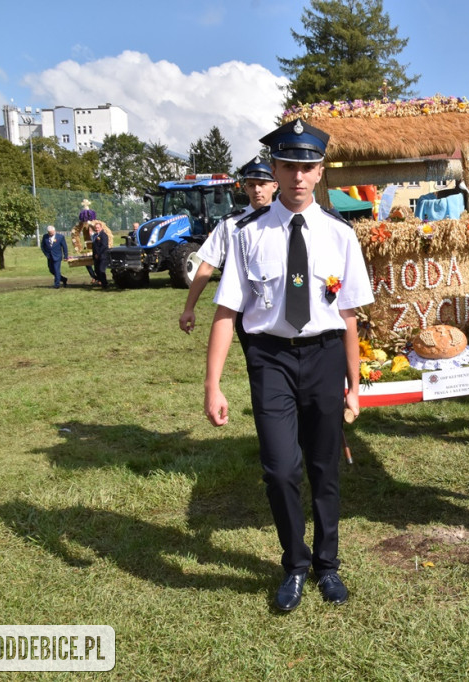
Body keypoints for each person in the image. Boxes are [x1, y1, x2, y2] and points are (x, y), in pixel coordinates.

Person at [203, 118, 374, 611]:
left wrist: (354, 385)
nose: (298, 177)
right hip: (270, 358)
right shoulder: (247, 234)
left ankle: (327, 565)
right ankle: (294, 565)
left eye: (308, 167)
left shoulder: (341, 235)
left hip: (323, 356)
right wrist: (212, 385)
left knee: (324, 469)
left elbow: (348, 316)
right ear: (273, 170)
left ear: (320, 172)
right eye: (287, 166)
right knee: (280, 470)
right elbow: (226, 312)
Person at [179, 157, 278, 334]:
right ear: (245, 188)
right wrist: (189, 308)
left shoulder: (285, 220)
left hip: (280, 307)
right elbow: (207, 266)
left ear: (274, 186)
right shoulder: (230, 224)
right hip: (245, 306)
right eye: (252, 184)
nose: (257, 190)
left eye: (262, 184)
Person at [90, 221, 110, 289]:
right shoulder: (95, 236)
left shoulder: (104, 235)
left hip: (103, 256)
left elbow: (104, 246)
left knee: (101, 270)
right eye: (96, 228)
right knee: (96, 270)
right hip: (96, 256)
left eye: (98, 228)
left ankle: (105, 284)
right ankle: (101, 281)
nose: (97, 229)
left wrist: (98, 254)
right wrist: (94, 255)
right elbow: (94, 246)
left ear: (101, 228)